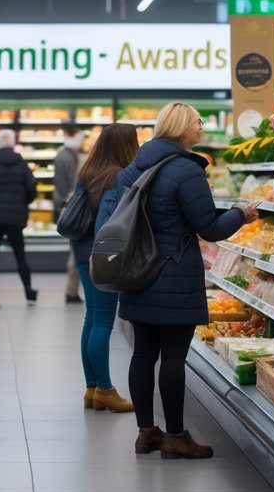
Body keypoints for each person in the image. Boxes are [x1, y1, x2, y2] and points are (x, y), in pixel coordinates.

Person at [96, 103, 259, 458]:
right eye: (198, 121)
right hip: (174, 273)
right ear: (182, 127)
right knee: (172, 357)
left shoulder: (131, 170)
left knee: (142, 353)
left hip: (137, 272)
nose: (202, 127)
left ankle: (146, 433)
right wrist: (240, 214)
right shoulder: (186, 169)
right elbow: (209, 228)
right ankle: (176, 436)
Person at [70, 123, 140, 413]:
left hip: (82, 249)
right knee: (103, 322)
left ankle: (92, 389)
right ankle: (107, 390)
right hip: (102, 254)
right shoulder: (119, 176)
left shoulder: (87, 171)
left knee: (92, 318)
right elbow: (111, 221)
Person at [0, 129, 38, 307]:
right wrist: (22, 203)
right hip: (16, 218)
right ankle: (28, 292)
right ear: (13, 144)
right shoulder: (22, 166)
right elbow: (32, 191)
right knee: (20, 256)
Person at [53, 122, 87, 305]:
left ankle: (72, 290)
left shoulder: (71, 156)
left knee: (75, 251)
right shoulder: (68, 157)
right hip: (77, 209)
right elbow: (62, 186)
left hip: (73, 207)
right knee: (76, 251)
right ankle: (71, 290)